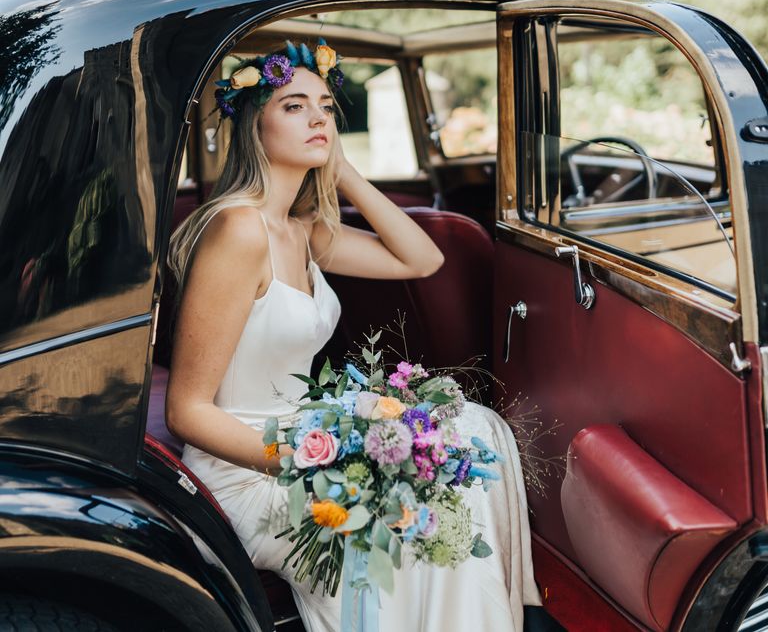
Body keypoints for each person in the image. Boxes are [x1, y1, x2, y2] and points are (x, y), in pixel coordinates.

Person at [165, 39, 542, 631]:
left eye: (325, 106)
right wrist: (304, 461)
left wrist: (344, 173)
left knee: (476, 428)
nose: (318, 117)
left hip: (312, 431)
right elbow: (187, 411)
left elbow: (422, 260)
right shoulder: (238, 229)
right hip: (247, 468)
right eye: (293, 106)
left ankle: (524, 611)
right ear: (254, 129)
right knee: (415, 522)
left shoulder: (302, 231)